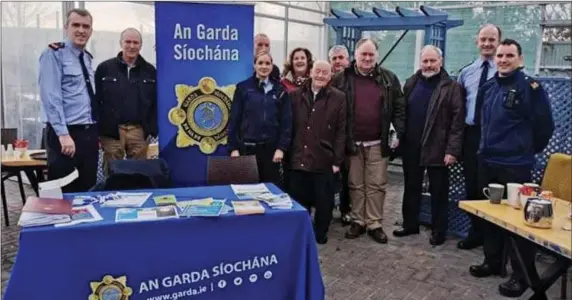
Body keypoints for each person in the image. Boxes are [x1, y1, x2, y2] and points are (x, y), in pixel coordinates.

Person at [468, 39, 554, 298]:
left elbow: (545, 126)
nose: (503, 59)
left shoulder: (531, 88)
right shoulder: (489, 87)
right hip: (489, 162)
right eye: (500, 55)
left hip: (516, 166)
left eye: (509, 55)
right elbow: (483, 123)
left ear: (520, 59)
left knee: (518, 224)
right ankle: (492, 262)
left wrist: (525, 150)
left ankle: (521, 276)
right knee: (491, 216)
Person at [331, 38, 405, 244]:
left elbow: (399, 107)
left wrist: (397, 131)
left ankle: (374, 223)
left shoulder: (389, 79)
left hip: (378, 141)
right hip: (352, 142)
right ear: (355, 55)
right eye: (363, 54)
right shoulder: (341, 78)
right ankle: (358, 220)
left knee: (377, 184)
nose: (367, 58)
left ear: (377, 56)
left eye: (371, 54)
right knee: (355, 183)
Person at [392, 45, 465, 246]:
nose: (429, 65)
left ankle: (438, 230)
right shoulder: (411, 83)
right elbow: (402, 112)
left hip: (438, 147)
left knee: (439, 191)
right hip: (412, 145)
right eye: (425, 61)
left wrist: (452, 150)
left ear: (440, 62)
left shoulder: (451, 87)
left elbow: (457, 122)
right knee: (411, 187)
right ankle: (410, 224)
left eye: (433, 61)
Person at [39, 8, 99, 193]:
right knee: (63, 190)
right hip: (66, 134)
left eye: (86, 26)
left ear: (91, 30)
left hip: (88, 133)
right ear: (66, 27)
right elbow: (51, 97)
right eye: (76, 25)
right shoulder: (54, 54)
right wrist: (63, 134)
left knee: (87, 190)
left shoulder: (87, 58)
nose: (81, 30)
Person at [287, 60, 346, 244]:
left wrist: (337, 161)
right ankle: (302, 234)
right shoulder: (296, 96)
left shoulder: (339, 98)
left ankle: (321, 234)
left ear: (330, 76)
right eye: (318, 71)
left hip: (324, 159)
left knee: (324, 202)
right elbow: (289, 127)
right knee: (299, 200)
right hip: (299, 157)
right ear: (311, 72)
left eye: (325, 73)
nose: (321, 76)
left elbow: (341, 131)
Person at [456, 24, 501, 250]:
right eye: (483, 39)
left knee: (492, 188)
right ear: (477, 42)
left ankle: (493, 239)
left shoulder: (504, 71)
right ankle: (476, 233)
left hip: (495, 137)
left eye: (492, 39)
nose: (487, 44)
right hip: (472, 135)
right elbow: (459, 107)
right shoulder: (466, 73)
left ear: (498, 42)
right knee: (472, 186)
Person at [95, 28, 157, 174]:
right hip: (112, 131)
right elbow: (96, 100)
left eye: (135, 42)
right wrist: (99, 129)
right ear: (121, 43)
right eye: (128, 42)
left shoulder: (150, 71)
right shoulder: (105, 68)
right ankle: (110, 196)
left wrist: (151, 129)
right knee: (112, 172)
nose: (131, 46)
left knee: (138, 173)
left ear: (141, 45)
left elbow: (155, 102)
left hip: (139, 131)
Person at [228, 51, 292, 186]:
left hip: (271, 151)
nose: (264, 66)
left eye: (267, 63)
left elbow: (286, 123)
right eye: (260, 63)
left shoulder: (280, 90)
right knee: (247, 190)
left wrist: (281, 148)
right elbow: (234, 120)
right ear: (254, 65)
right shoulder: (243, 88)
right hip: (247, 149)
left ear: (272, 66)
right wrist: (233, 148)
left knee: (270, 190)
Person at [328, 44, 351, 225]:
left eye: (340, 58)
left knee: (347, 176)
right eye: (334, 58)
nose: (337, 62)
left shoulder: (353, 79)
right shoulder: (325, 78)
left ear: (348, 60)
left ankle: (345, 209)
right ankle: (327, 208)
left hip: (349, 135)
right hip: (329, 136)